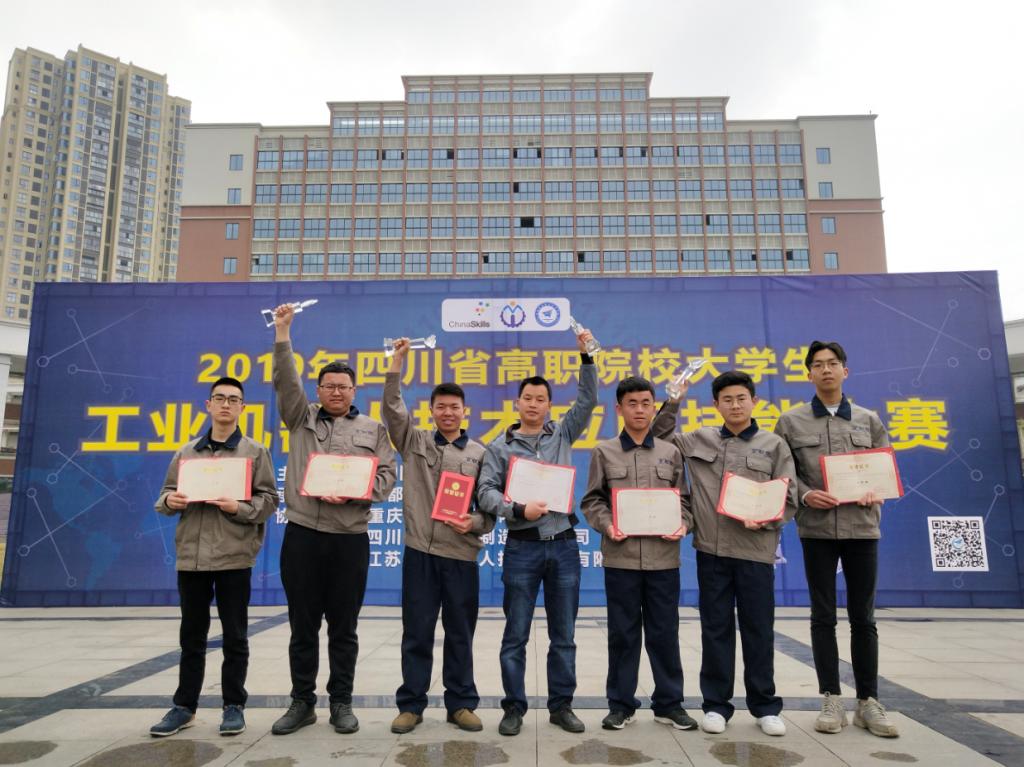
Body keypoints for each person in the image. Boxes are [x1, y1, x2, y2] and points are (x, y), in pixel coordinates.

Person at [269, 304, 397, 736]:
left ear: (354, 391)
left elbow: (387, 477)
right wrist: (283, 333)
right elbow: (286, 381)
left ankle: (341, 701)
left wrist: (356, 491)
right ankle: (302, 702)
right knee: (302, 626)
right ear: (318, 390)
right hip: (303, 535)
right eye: (328, 386)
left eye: (343, 386)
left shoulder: (374, 430)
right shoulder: (300, 417)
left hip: (349, 538)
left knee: (345, 628)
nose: (336, 392)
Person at [653, 370, 796, 737]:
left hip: (755, 551)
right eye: (727, 399)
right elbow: (658, 440)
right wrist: (673, 401)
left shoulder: (773, 445)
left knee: (758, 629)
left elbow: (789, 496)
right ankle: (716, 705)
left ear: (754, 401)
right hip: (712, 552)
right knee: (715, 630)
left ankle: (765, 706)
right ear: (715, 404)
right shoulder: (699, 439)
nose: (735, 405)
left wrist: (766, 520)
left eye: (741, 398)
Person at [774, 340, 899, 738]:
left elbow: (884, 467)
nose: (825, 370)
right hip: (817, 529)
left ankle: (868, 701)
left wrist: (876, 490)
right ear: (808, 374)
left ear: (845, 371)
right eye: (818, 364)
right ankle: (831, 698)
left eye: (832, 363)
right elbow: (783, 474)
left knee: (864, 617)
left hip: (862, 527)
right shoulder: (791, 422)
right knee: (823, 615)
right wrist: (806, 495)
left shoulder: (868, 420)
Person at [477, 326, 598, 736]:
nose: (533, 404)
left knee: (564, 634)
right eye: (527, 398)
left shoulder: (562, 433)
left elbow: (588, 400)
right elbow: (485, 492)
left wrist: (586, 357)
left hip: (563, 545)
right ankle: (513, 708)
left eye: (541, 398)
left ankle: (561, 707)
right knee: (515, 634)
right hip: (522, 547)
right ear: (517, 403)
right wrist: (517, 509)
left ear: (549, 405)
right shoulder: (499, 446)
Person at [150, 377, 278, 737]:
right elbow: (165, 495)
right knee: (191, 636)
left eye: (233, 400)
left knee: (235, 636)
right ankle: (184, 707)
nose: (225, 404)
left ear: (242, 408)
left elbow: (269, 500)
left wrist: (239, 508)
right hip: (191, 557)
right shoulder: (187, 452)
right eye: (219, 398)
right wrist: (170, 500)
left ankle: (233, 705)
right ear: (208, 405)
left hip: (234, 556)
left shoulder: (255, 452)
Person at [383, 338, 494, 734]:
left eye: (454, 407)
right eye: (441, 407)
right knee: (417, 631)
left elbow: (489, 510)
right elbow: (392, 410)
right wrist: (396, 364)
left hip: (461, 554)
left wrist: (474, 523)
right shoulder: (414, 442)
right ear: (431, 411)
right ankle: (411, 705)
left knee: (460, 633)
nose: (448, 413)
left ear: (465, 412)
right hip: (420, 552)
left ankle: (460, 704)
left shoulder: (480, 454)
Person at [581, 376, 697, 732]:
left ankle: (669, 704)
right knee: (623, 635)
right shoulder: (604, 452)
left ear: (653, 407)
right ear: (619, 409)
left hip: (664, 560)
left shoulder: (670, 452)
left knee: (665, 633)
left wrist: (683, 524)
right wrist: (607, 526)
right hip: (622, 558)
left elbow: (684, 500)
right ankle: (621, 705)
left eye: (646, 403)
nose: (640, 410)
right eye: (632, 403)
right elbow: (593, 501)